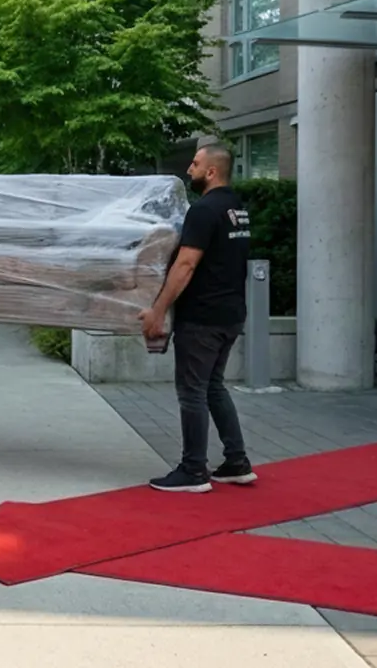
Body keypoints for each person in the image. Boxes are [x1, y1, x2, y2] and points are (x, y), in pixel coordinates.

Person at [138, 143, 255, 493]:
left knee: (192, 392)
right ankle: (236, 462)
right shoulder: (236, 208)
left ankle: (193, 470)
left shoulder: (203, 210)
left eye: (195, 163)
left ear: (212, 171)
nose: (189, 169)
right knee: (213, 386)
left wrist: (158, 309)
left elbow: (186, 264)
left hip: (203, 317)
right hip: (231, 313)